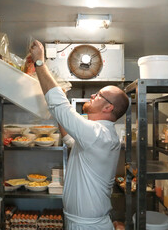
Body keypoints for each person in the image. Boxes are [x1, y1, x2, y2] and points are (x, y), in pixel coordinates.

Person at [29, 40, 129, 230]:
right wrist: (61, 113)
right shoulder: (98, 135)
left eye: (99, 95)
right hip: (81, 223)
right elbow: (69, 140)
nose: (93, 95)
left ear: (108, 107)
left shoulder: (98, 134)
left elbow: (60, 107)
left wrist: (39, 62)